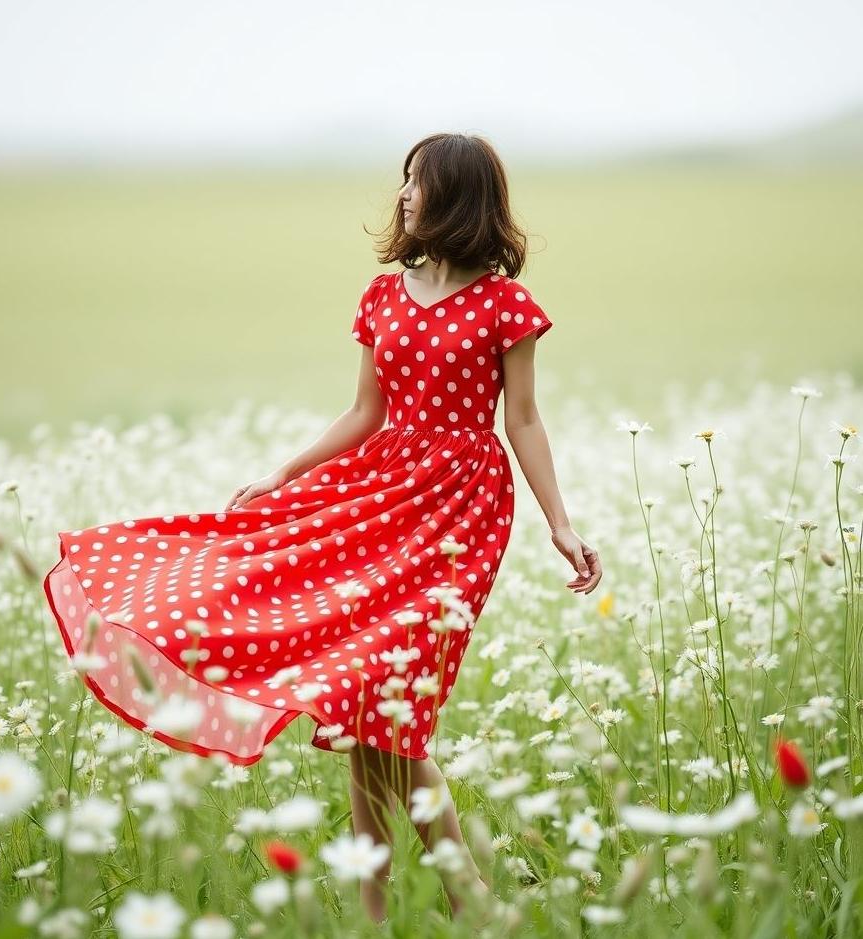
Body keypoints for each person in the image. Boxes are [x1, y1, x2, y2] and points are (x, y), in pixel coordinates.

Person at [42, 131, 602, 928]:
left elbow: (524, 422)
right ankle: (391, 903)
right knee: (363, 706)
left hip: (457, 510)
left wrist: (560, 523)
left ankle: (457, 894)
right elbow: (365, 413)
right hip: (373, 495)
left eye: (416, 182)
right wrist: (283, 474)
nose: (402, 194)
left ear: (455, 196)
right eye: (403, 180)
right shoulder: (383, 295)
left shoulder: (507, 307)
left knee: (393, 707)